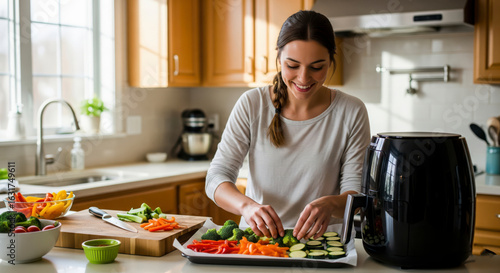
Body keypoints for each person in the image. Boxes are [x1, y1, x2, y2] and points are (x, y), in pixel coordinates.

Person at [205, 10, 371, 241]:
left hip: (323, 247)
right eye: (292, 65)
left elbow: (356, 194)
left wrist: (332, 204)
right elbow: (216, 178)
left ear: (331, 61)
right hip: (258, 244)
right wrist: (247, 207)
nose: (303, 79)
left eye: (316, 67)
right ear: (279, 60)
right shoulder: (252, 104)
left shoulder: (351, 111)